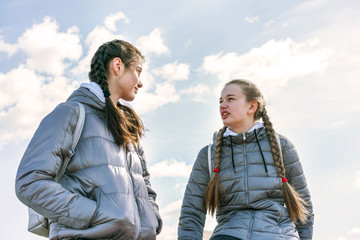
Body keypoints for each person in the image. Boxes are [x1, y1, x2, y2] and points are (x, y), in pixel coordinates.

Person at [15, 39, 162, 240]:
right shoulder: (71, 113)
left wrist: (152, 220)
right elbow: (30, 182)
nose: (141, 82)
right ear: (118, 66)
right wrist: (95, 215)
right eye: (138, 70)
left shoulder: (128, 126)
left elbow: (145, 185)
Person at [178, 79, 313, 240]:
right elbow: (191, 211)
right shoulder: (207, 154)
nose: (222, 105)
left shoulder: (282, 145)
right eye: (220, 101)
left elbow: (303, 205)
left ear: (252, 106)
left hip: (278, 234)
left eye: (230, 99)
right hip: (228, 234)